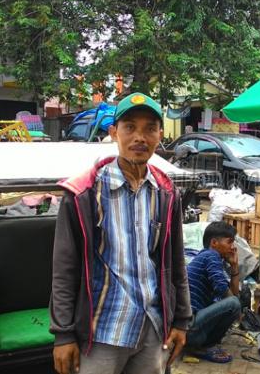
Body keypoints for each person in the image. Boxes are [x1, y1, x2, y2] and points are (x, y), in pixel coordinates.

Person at [50, 93, 192, 374]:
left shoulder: (165, 193)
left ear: (160, 134)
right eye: (130, 127)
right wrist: (63, 334)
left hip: (152, 327)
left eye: (150, 128)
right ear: (114, 132)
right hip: (102, 331)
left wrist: (181, 320)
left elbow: (175, 262)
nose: (140, 137)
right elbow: (64, 269)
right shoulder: (84, 195)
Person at [185, 222, 241, 363]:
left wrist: (234, 267)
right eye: (229, 242)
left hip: (189, 328)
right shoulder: (211, 255)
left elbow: (232, 295)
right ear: (214, 243)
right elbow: (225, 292)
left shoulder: (208, 258)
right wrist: (239, 312)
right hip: (189, 328)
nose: (232, 247)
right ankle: (200, 347)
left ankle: (201, 344)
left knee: (233, 303)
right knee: (234, 304)